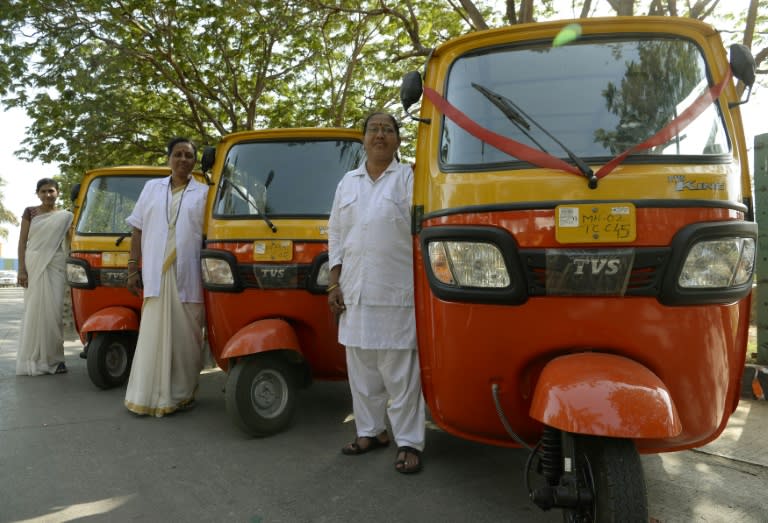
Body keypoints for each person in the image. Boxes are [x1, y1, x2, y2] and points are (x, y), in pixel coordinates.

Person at [327, 111, 426, 474]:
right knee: (363, 370)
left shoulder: (410, 179)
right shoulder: (347, 183)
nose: (380, 135)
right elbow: (336, 234)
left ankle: (409, 442)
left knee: (400, 373)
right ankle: (371, 432)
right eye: (373, 129)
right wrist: (334, 282)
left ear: (398, 140)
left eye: (387, 130)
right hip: (354, 291)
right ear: (363, 139)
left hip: (396, 293)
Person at [123, 137, 208, 417]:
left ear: (195, 161)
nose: (183, 159)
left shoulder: (205, 192)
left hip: (189, 274)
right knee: (153, 336)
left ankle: (181, 394)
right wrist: (133, 266)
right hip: (155, 274)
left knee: (186, 339)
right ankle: (146, 395)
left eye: (189, 156)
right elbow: (137, 229)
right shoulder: (151, 188)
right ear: (168, 158)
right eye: (178, 154)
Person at [16, 178, 74, 376]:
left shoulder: (66, 216)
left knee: (54, 313)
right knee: (35, 310)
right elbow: (22, 242)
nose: (47, 195)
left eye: (51, 191)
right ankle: (35, 358)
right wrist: (21, 270)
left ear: (58, 192)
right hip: (34, 264)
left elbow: (70, 243)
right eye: (43, 191)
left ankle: (56, 360)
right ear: (37, 194)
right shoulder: (30, 212)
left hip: (56, 264)